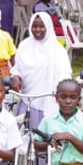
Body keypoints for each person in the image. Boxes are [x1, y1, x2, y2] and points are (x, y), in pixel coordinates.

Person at [13, 11, 71, 144]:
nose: (37, 30)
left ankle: (44, 163)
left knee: (45, 138)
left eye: (41, 26)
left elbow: (64, 73)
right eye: (34, 26)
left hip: (48, 99)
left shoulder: (57, 49)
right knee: (23, 138)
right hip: (27, 100)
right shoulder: (24, 45)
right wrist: (16, 76)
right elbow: (17, 67)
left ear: (48, 27)